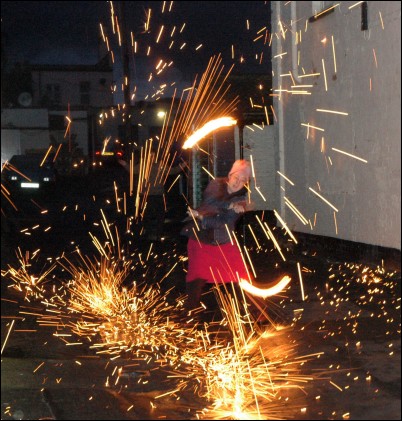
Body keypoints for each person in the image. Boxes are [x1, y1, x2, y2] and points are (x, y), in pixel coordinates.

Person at [181, 159, 253, 317]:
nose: (237, 183)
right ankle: (188, 314)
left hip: (224, 240)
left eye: (243, 181)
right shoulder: (216, 184)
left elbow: (223, 222)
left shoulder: (241, 200)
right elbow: (211, 202)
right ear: (229, 175)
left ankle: (256, 315)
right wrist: (228, 206)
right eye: (236, 178)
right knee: (196, 277)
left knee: (242, 276)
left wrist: (200, 216)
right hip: (201, 238)